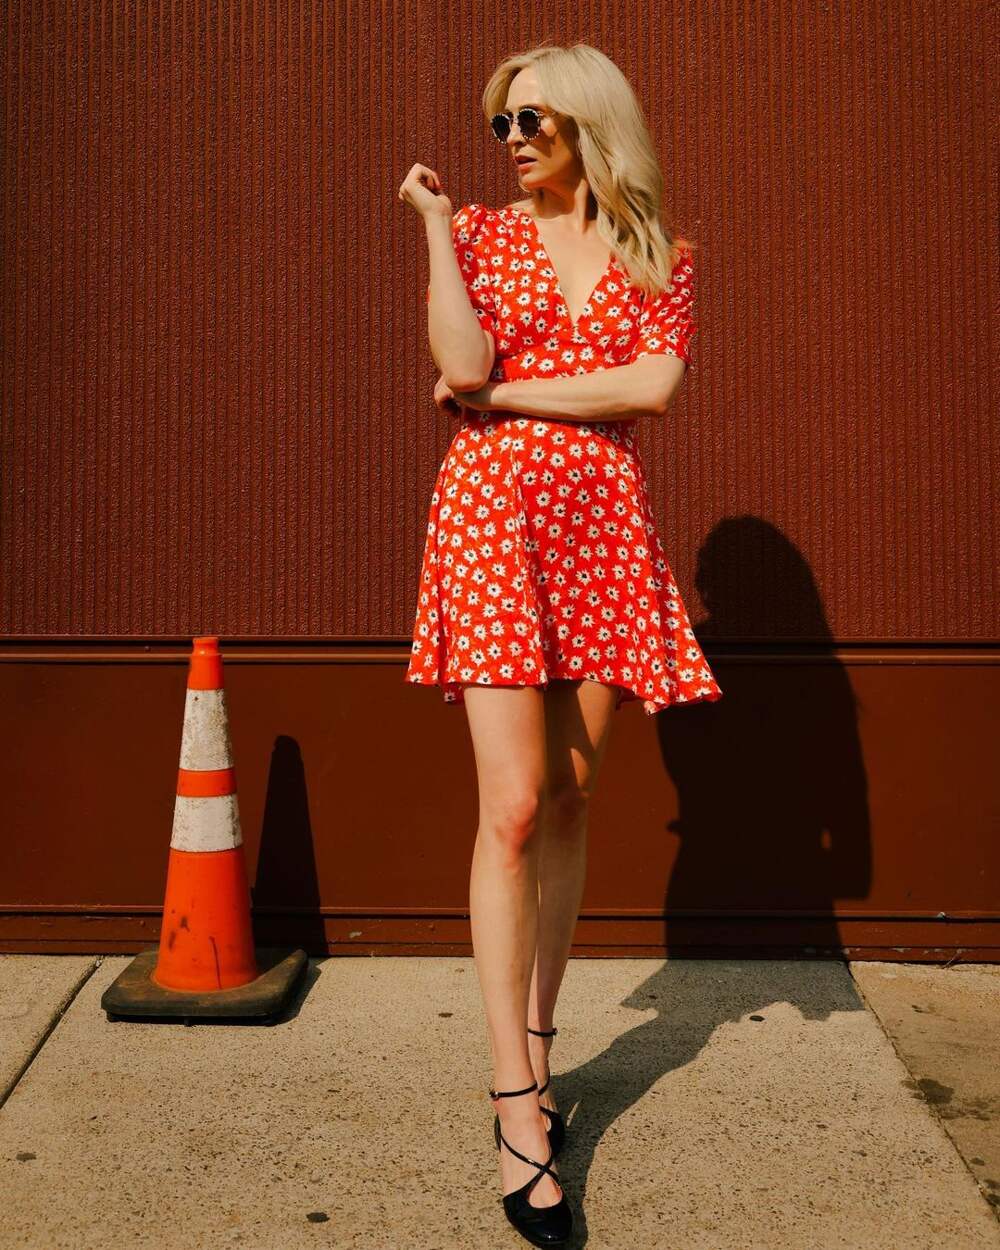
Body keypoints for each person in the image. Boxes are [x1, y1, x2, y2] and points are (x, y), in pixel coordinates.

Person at [398, 40, 723, 1248]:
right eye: (501, 123)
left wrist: (503, 399)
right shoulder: (480, 234)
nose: (513, 140)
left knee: (576, 801)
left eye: (531, 118)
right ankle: (514, 1104)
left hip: (600, 527)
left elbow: (649, 388)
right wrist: (436, 229)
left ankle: (540, 1044)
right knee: (517, 807)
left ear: (591, 122)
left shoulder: (661, 254)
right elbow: (461, 361)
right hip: (492, 521)